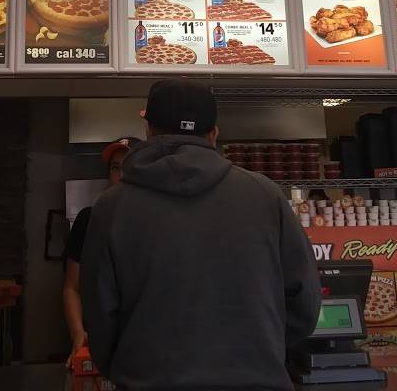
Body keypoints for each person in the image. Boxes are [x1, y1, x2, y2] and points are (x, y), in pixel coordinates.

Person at [81, 79, 320, 390]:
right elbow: (304, 303)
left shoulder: (111, 207)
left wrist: (129, 368)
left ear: (149, 130)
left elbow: (99, 313)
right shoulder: (266, 196)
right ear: (214, 134)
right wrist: (259, 348)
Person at [63, 137, 135, 368]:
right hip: (99, 343)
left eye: (129, 168)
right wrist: (78, 333)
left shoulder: (156, 223)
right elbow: (72, 287)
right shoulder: (89, 220)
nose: (121, 176)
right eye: (115, 168)